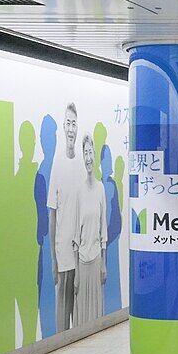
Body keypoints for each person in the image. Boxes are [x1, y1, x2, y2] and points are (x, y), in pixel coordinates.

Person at [47, 103, 83, 334]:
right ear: (63, 127)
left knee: (79, 316)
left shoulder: (82, 164)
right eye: (68, 123)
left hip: (82, 254)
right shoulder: (57, 164)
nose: (71, 129)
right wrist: (54, 259)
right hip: (63, 256)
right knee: (62, 320)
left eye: (74, 124)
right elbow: (52, 215)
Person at [74, 133, 107, 324]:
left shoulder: (101, 188)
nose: (88, 158)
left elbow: (103, 230)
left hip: (96, 258)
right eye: (85, 153)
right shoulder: (79, 191)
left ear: (95, 155)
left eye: (90, 153)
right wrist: (77, 273)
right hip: (82, 260)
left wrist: (103, 263)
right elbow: (75, 236)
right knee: (82, 312)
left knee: (96, 311)